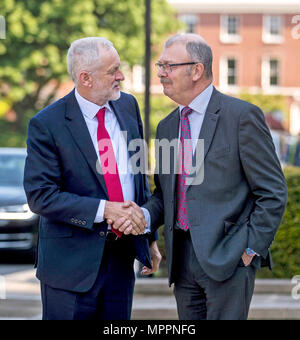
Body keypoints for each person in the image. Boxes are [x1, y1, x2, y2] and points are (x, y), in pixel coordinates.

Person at [114, 33, 288, 320]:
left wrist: (249, 249)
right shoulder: (168, 126)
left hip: (230, 259)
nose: (160, 73)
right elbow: (165, 193)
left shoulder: (242, 117)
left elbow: (272, 193)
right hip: (182, 261)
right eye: (160, 66)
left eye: (168, 66)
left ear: (196, 70)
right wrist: (143, 217)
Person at [23, 37, 161, 320]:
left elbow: (137, 180)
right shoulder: (47, 124)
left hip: (121, 262)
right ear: (85, 78)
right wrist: (104, 209)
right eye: (113, 71)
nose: (121, 76)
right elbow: (41, 195)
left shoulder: (128, 107)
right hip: (69, 267)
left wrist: (149, 238)